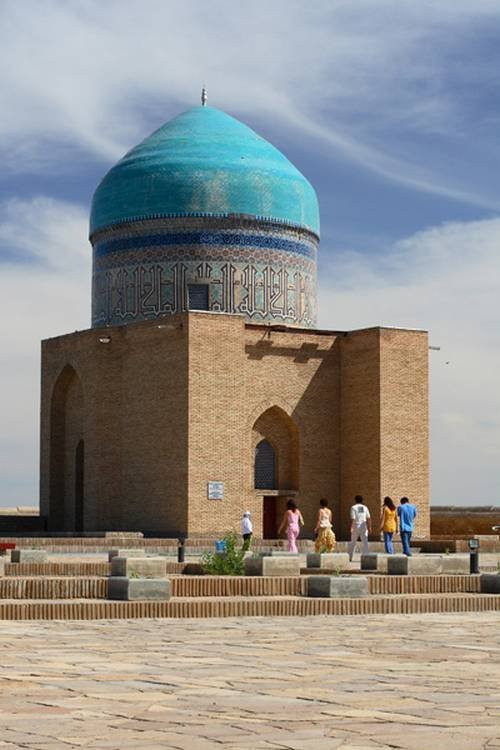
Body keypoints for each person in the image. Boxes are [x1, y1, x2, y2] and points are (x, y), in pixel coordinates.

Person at [348, 495, 372, 561]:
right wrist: (370, 527)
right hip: (364, 526)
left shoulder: (353, 507)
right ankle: (366, 556)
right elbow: (369, 518)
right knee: (365, 542)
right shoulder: (365, 507)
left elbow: (353, 518)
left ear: (355, 500)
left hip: (356, 525)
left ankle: (350, 557)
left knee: (353, 542)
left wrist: (351, 527)